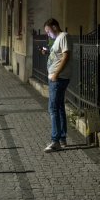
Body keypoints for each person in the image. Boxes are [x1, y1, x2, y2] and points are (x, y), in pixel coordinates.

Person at [43, 18, 72, 152]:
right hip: (55, 77)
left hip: (58, 78)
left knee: (53, 108)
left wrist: (56, 74)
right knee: (59, 107)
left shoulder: (64, 36)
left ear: (54, 27)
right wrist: (47, 53)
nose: (48, 34)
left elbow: (66, 56)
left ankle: (55, 141)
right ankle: (62, 138)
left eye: (48, 31)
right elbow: (58, 56)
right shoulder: (57, 39)